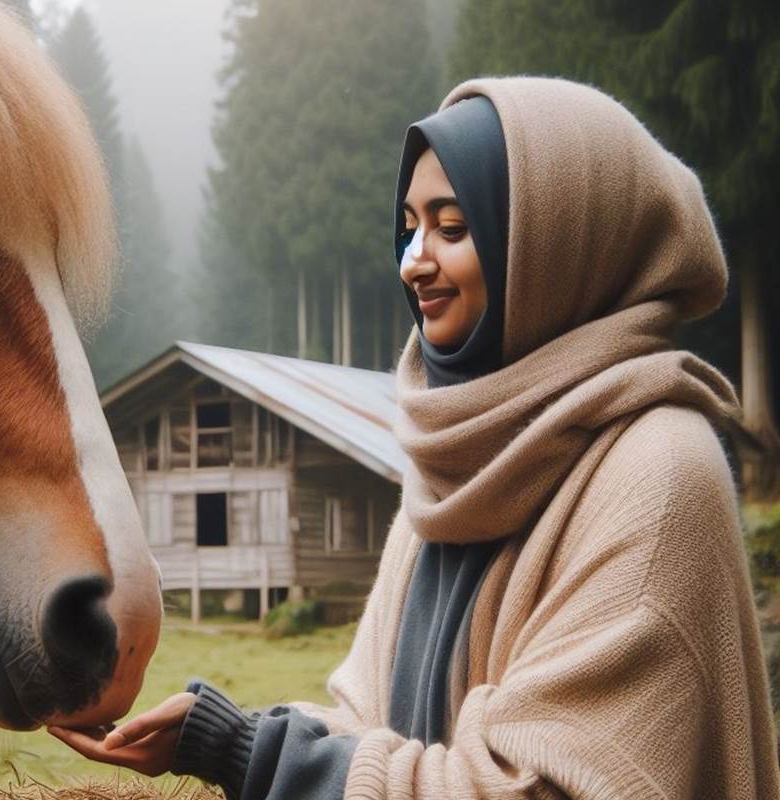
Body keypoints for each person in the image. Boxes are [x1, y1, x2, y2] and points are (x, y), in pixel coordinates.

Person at [50, 76, 780, 799]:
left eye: (453, 228)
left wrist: (256, 753)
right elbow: (372, 728)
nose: (412, 261)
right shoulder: (448, 463)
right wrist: (218, 736)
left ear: (556, 246)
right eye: (408, 227)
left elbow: (537, 787)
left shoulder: (658, 474)